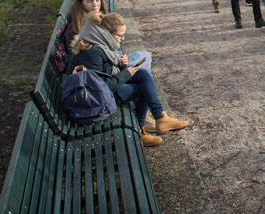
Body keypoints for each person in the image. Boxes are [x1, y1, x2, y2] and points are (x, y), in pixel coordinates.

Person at [69, 12, 189, 147]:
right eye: (120, 35)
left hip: (104, 90)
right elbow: (101, 88)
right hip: (95, 99)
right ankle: (139, 132)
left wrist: (121, 64)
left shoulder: (100, 44)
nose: (123, 39)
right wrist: (127, 73)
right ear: (108, 34)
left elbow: (106, 71)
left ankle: (160, 117)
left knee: (143, 74)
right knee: (142, 89)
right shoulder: (93, 53)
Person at [53, 0, 109, 73]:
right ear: (81, 3)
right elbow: (77, 59)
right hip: (89, 74)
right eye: (90, 1)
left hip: (102, 68)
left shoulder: (100, 19)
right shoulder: (75, 28)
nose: (95, 4)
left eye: (97, 0)